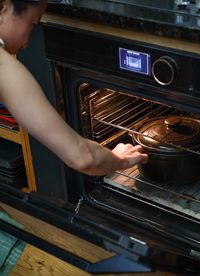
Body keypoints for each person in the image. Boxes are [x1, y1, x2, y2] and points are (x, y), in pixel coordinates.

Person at [0, 0, 148, 176]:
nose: (26, 44)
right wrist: (120, 160)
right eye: (32, 24)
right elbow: (83, 158)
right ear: (4, 7)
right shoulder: (4, 67)